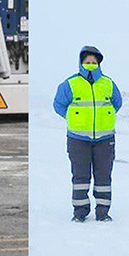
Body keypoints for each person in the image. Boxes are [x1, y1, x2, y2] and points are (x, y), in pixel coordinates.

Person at [52, 46, 122, 222]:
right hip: (78, 140)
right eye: (87, 62)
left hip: (105, 140)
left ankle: (103, 213)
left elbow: (117, 103)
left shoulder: (108, 83)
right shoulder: (70, 84)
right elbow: (58, 105)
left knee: (104, 176)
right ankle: (80, 212)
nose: (90, 65)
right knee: (80, 176)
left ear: (98, 63)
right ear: (81, 63)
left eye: (94, 62)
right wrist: (73, 117)